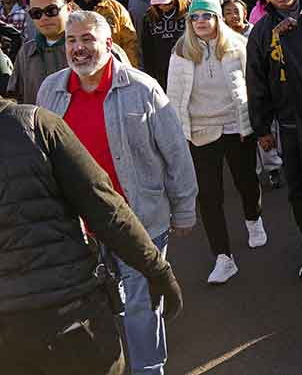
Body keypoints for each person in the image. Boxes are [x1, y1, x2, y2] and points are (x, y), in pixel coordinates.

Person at [37, 10, 198, 375]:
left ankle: (147, 368)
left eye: (87, 40)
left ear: (108, 44)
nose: (78, 48)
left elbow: (176, 153)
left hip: (140, 221)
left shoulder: (143, 89)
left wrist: (185, 209)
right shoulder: (51, 91)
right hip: (82, 228)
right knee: (106, 304)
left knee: (142, 303)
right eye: (71, 41)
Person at [0, 98, 184, 375]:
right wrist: (157, 269)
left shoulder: (39, 126)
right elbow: (106, 210)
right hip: (72, 318)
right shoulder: (37, 125)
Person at [165, 0, 266, 285]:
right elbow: (173, 96)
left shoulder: (237, 45)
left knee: (246, 181)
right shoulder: (181, 51)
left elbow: (253, 86)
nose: (200, 21)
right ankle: (223, 257)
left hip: (236, 127)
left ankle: (254, 219)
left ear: (217, 18)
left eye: (207, 15)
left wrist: (256, 126)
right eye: (195, 16)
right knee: (209, 196)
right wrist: (178, 133)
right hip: (200, 131)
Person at [246, 0, 302, 277]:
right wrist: (262, 127)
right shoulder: (261, 31)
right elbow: (256, 81)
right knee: (299, 189)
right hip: (291, 123)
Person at [7, 0, 73, 104]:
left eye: (51, 10)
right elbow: (14, 98)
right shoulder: (26, 52)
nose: (44, 18)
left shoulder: (88, 47)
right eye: (36, 13)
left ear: (68, 9)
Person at [74, 0, 140, 68]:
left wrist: (130, 70)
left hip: (112, 72)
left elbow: (130, 44)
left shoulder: (117, 9)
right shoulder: (69, 10)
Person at [138, 0, 190, 90]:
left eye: (167, 3)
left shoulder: (190, 14)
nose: (162, 6)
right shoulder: (149, 17)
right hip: (161, 75)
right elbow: (147, 50)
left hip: (187, 71)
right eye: (158, 3)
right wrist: (150, 77)